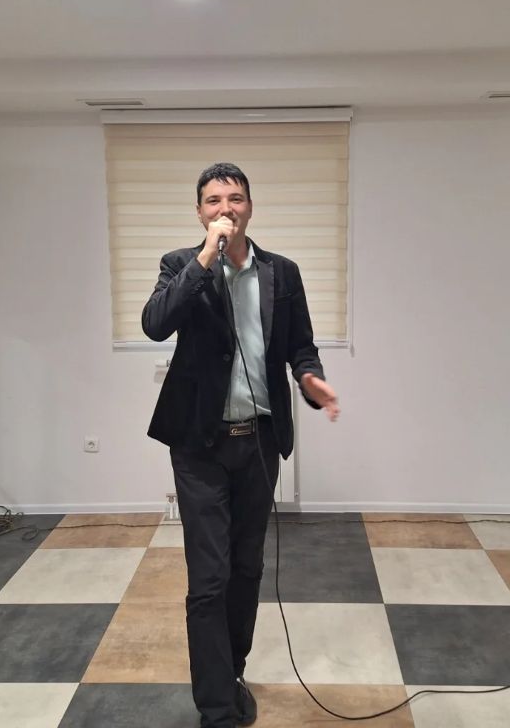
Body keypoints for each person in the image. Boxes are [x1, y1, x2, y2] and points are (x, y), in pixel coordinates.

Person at [142, 162, 340, 728]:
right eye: (213, 200)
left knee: (247, 569)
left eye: (234, 198)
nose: (225, 208)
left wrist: (310, 378)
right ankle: (217, 711)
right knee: (209, 579)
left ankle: (231, 672)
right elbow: (156, 323)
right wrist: (207, 258)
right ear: (199, 212)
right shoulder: (180, 265)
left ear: (250, 206)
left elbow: (300, 345)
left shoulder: (282, 272)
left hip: (258, 443)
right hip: (199, 446)